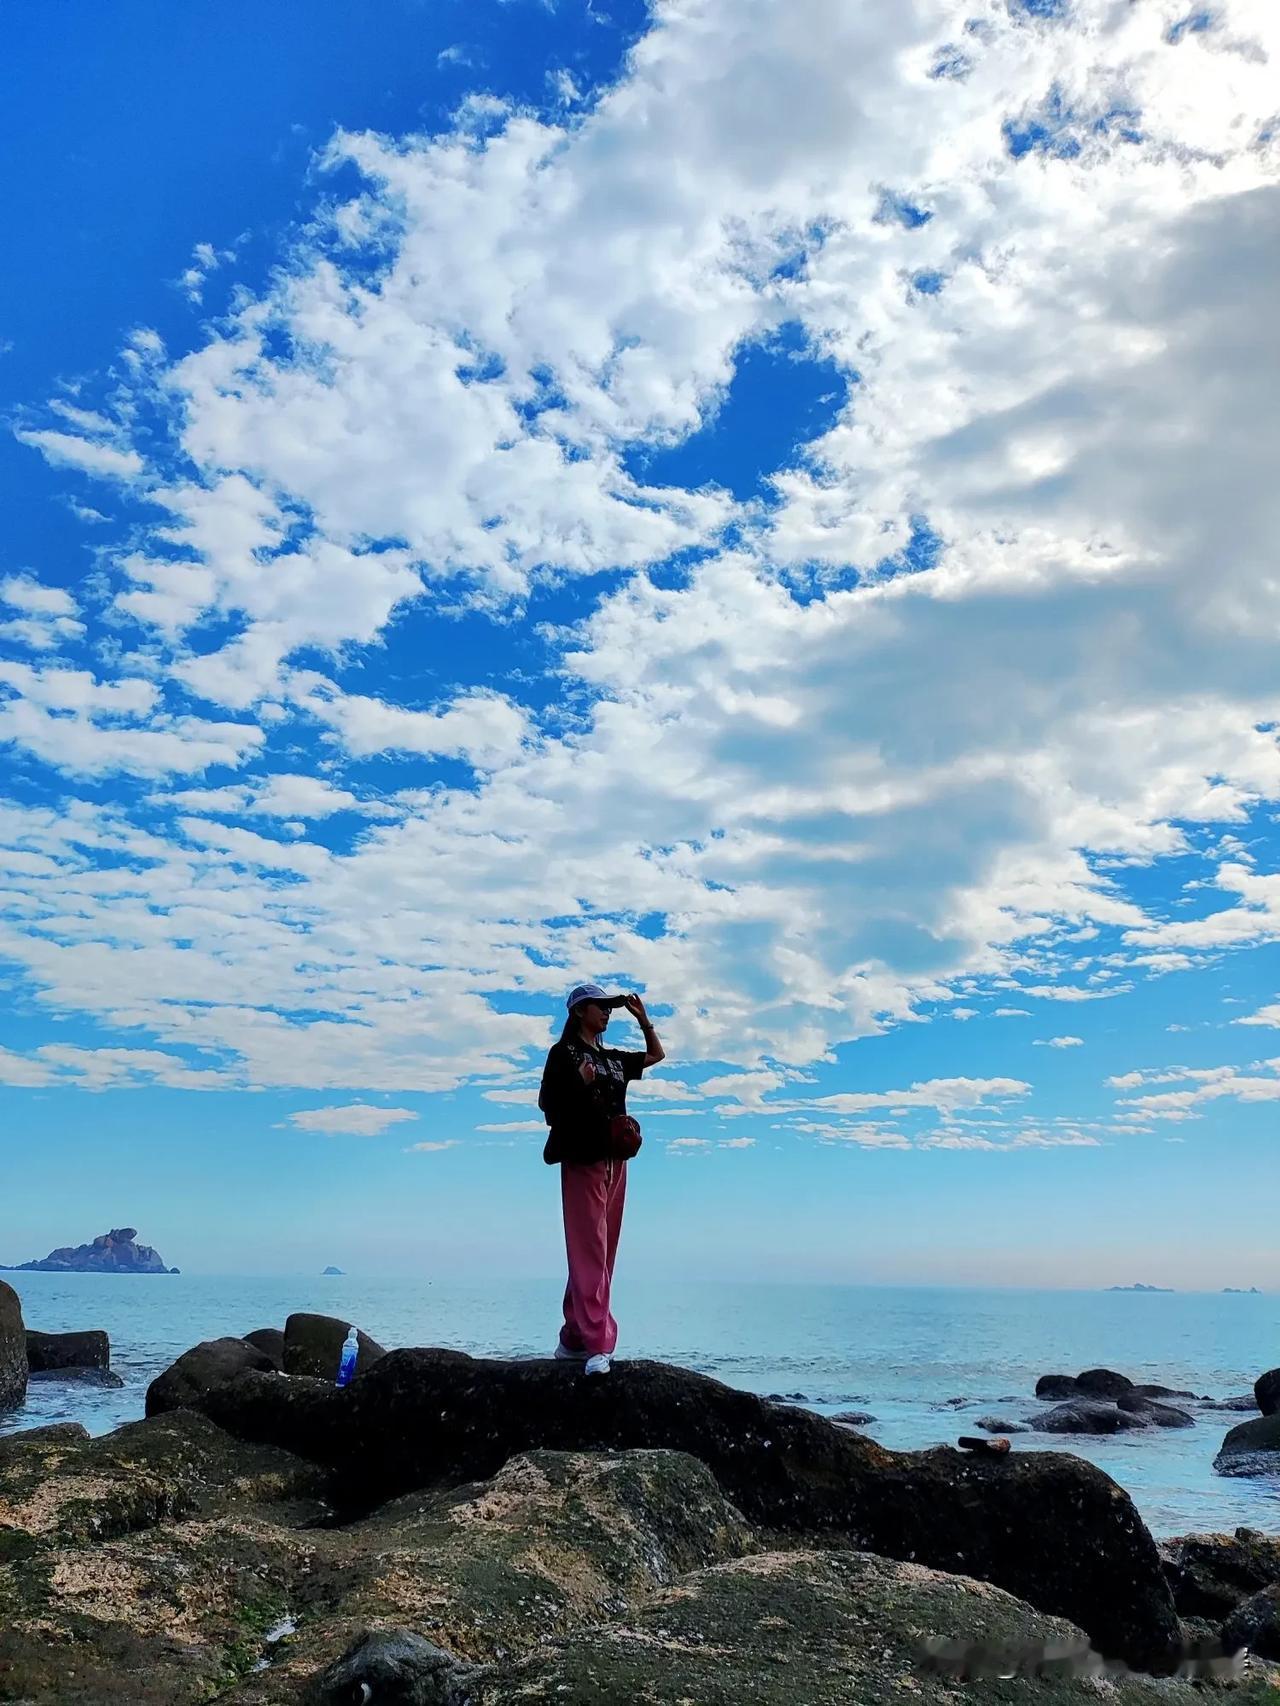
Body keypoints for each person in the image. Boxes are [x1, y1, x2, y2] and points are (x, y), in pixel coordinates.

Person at [538, 982, 665, 1376]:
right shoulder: (564, 1054)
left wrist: (643, 1021)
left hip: (616, 1161)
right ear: (579, 1011)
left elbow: (656, 1055)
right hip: (582, 1158)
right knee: (589, 1247)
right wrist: (580, 1081)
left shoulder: (611, 1058)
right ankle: (598, 1344)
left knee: (602, 1251)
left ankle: (573, 1337)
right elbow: (547, 1103)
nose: (607, 1013)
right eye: (601, 1007)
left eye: (610, 1008)